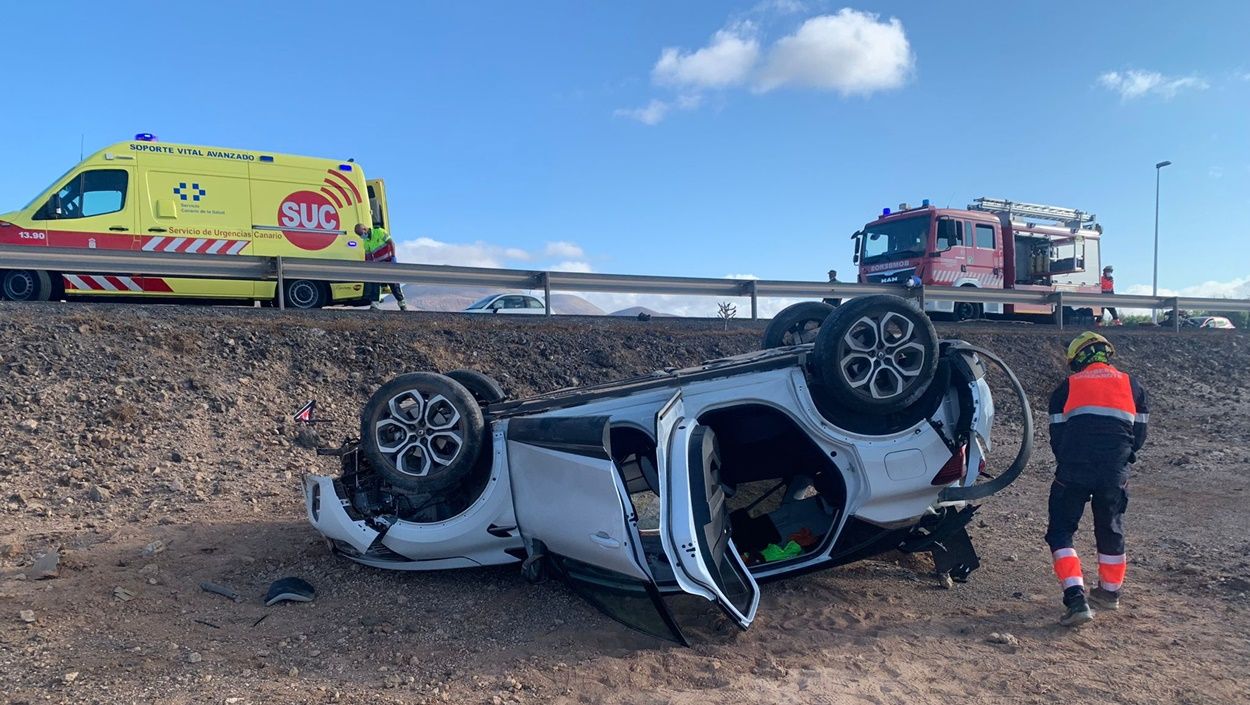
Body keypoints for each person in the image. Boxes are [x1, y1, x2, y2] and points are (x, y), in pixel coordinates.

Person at [1045, 332, 1149, 627]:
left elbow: (1058, 437)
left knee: (1061, 531)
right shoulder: (1133, 386)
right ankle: (1110, 593)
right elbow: (1138, 436)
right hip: (1113, 472)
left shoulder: (1066, 387)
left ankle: (1076, 599)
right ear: (1106, 354)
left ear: (1077, 359)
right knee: (1110, 527)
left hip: (1073, 469)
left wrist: (1069, 461)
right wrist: (1118, 460)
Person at [356, 223, 408, 311]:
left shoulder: (379, 232)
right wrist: (367, 266)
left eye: (361, 233)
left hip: (388, 263)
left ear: (365, 229)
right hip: (378, 265)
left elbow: (391, 243)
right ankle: (374, 305)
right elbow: (368, 255)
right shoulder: (366, 241)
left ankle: (402, 304)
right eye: (359, 235)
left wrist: (393, 257)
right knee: (375, 284)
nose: (361, 236)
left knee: (394, 285)